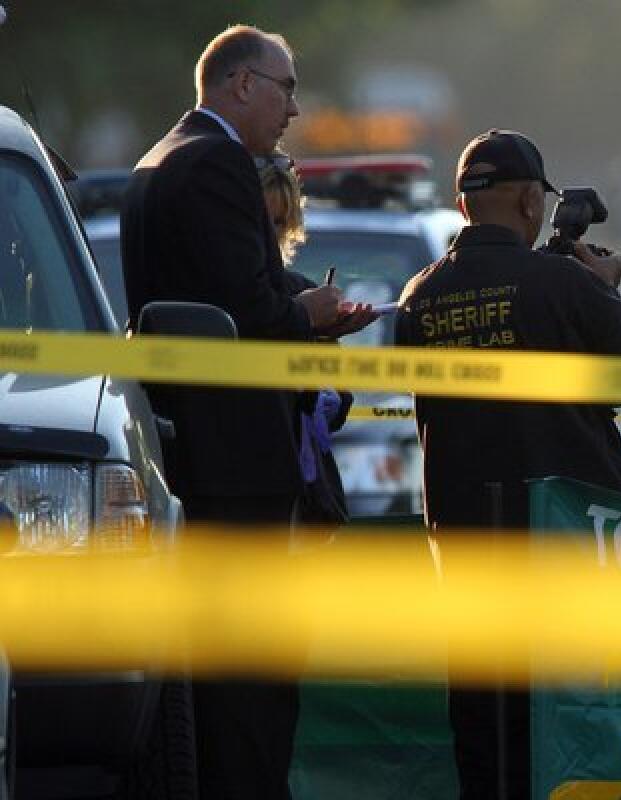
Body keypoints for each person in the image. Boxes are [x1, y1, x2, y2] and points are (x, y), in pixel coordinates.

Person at [120, 25, 370, 798]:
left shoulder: (156, 161)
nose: (295, 108)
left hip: (193, 453)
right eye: (287, 87)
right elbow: (249, 309)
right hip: (238, 462)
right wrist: (315, 314)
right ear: (240, 85)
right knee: (254, 673)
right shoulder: (217, 161)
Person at [394, 129, 621, 799]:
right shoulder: (563, 282)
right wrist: (608, 288)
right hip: (563, 538)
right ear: (529, 201)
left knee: (483, 721)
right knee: (572, 718)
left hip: (466, 542)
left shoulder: (419, 296)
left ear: (462, 205)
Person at [257, 150, 354, 527]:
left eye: (280, 223)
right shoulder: (241, 299)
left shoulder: (305, 293)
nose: (273, 235)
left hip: (309, 496)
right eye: (265, 223)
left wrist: (326, 396)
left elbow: (342, 401)